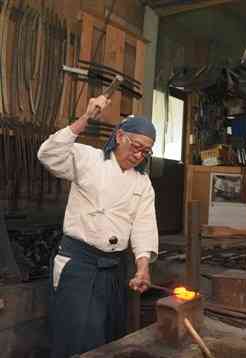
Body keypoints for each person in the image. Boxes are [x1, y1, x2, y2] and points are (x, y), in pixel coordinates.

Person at [38, 95, 159, 358]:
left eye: (145, 152)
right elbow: (48, 154)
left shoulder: (142, 183)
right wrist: (85, 118)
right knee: (75, 336)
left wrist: (142, 268)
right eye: (136, 146)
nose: (138, 155)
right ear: (119, 137)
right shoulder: (87, 159)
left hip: (114, 269)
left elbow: (144, 226)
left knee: (108, 337)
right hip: (79, 265)